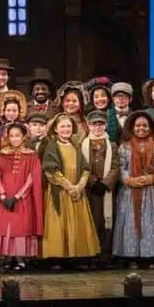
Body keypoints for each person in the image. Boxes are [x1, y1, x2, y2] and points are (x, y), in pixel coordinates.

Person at [0, 121, 43, 271]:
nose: (15, 139)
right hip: (3, 197)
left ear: (23, 137)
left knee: (20, 227)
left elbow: (32, 179)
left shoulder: (32, 156)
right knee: (5, 226)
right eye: (12, 136)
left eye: (17, 135)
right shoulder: (1, 155)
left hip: (23, 199)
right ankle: (7, 256)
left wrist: (18, 196)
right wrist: (2, 196)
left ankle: (19, 256)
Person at [112, 111, 154, 267]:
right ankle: (131, 257)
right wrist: (128, 179)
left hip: (152, 191)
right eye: (138, 125)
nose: (141, 128)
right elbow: (121, 167)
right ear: (132, 127)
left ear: (150, 127)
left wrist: (152, 177)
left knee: (151, 223)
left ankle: (151, 257)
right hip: (130, 192)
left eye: (144, 125)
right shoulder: (124, 147)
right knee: (130, 222)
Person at [41, 112, 101, 268]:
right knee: (59, 224)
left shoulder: (76, 145)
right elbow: (50, 170)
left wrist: (79, 186)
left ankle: (78, 256)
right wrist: (68, 186)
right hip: (60, 191)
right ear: (55, 128)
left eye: (68, 126)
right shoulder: (52, 146)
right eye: (62, 126)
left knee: (78, 223)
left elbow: (86, 168)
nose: (66, 129)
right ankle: (57, 258)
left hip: (76, 191)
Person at [82, 110, 118, 266]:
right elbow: (81, 165)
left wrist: (105, 183)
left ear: (105, 126)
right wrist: (92, 181)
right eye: (94, 124)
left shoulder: (112, 145)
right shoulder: (82, 144)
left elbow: (116, 166)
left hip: (106, 190)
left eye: (100, 124)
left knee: (107, 221)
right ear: (88, 126)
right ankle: (91, 254)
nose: (97, 128)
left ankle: (105, 254)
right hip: (90, 190)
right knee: (92, 221)